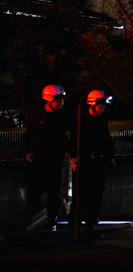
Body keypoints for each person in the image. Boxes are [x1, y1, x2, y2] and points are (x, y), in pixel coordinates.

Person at [24, 84, 71, 232]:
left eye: (62, 99)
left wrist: (69, 151)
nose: (61, 102)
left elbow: (67, 138)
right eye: (58, 99)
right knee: (34, 189)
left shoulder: (63, 116)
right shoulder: (37, 115)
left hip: (56, 157)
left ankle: (52, 220)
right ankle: (33, 217)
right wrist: (29, 151)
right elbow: (29, 134)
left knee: (54, 191)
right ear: (49, 99)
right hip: (39, 157)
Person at [70, 90, 114, 240]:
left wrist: (110, 157)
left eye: (104, 106)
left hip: (99, 162)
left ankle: (90, 225)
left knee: (96, 196)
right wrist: (74, 158)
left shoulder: (102, 120)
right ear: (93, 104)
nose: (103, 109)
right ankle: (74, 227)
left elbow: (107, 140)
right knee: (81, 196)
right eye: (101, 106)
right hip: (86, 162)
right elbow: (74, 141)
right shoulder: (82, 120)